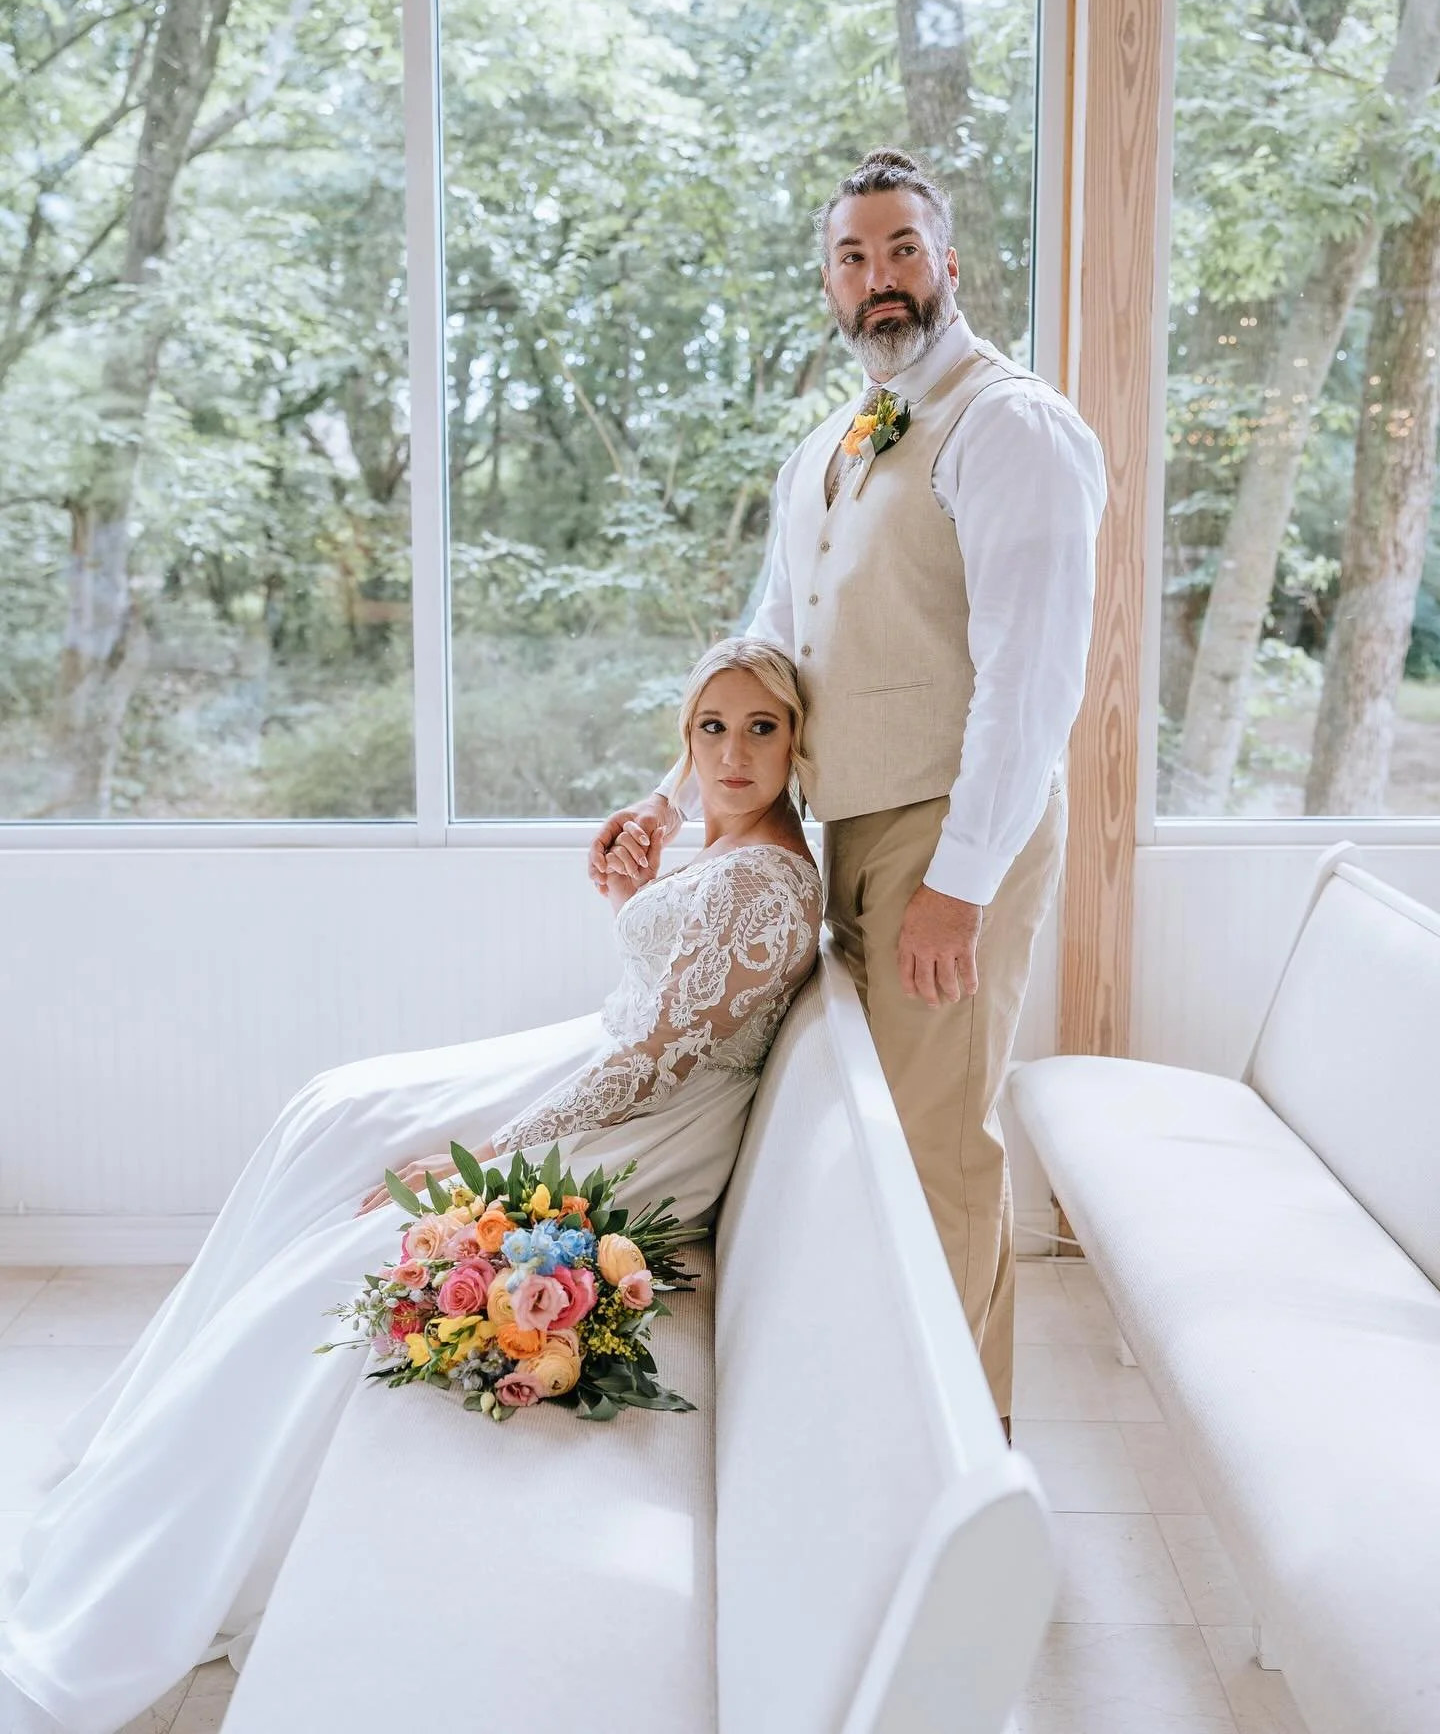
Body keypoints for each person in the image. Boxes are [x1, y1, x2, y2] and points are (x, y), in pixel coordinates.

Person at [0, 638, 820, 1734]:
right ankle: (153, 1435)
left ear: (800, 740)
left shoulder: (769, 883)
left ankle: (192, 1535)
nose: (733, 753)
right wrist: (636, 893)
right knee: (341, 1112)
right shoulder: (730, 847)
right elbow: (668, 990)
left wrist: (488, 1166)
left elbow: (651, 1064)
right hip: (619, 1074)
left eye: (763, 728)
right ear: (685, 736)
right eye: (712, 728)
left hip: (651, 1126)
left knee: (350, 1257)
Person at [592, 149, 1108, 1435]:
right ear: (828, 280)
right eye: (853, 257)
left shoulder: (1012, 426)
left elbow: (1033, 680)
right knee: (867, 1137)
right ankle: (890, 1429)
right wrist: (671, 800)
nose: (880, 278)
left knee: (935, 1141)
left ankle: (968, 1457)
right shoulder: (829, 441)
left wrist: (960, 884)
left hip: (953, 832)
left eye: (902, 250)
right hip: (850, 830)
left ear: (949, 263)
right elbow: (773, 646)